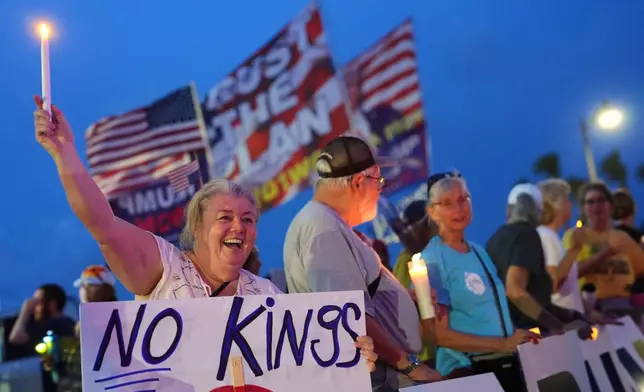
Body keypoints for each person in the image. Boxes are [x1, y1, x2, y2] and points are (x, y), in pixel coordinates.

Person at [32, 96, 378, 371]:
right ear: (196, 226)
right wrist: (65, 155)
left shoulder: (266, 294)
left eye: (248, 219)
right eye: (225, 217)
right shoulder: (164, 269)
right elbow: (103, 224)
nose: (239, 227)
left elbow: (307, 365)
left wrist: (348, 352)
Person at [284, 135, 442, 391]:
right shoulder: (324, 230)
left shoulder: (327, 223)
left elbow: (354, 300)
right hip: (378, 380)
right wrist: (412, 366)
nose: (380, 189)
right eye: (378, 180)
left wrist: (404, 302)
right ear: (358, 182)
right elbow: (351, 318)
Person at [422, 173, 538, 391]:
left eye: (463, 199)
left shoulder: (478, 251)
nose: (459, 208)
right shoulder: (433, 260)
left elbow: (490, 311)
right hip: (468, 373)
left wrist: (516, 335)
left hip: (503, 364)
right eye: (447, 203)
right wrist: (501, 344)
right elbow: (439, 334)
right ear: (432, 212)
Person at [486, 183, 591, 336]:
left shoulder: (495, 238)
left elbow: (534, 297)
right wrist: (557, 326)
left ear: (509, 209)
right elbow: (515, 291)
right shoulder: (527, 235)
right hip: (529, 338)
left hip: (504, 334)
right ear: (537, 211)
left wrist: (571, 315)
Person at [563, 183, 644, 315]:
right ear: (583, 208)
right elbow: (569, 275)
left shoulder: (622, 237)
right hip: (592, 309)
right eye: (590, 202)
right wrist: (605, 253)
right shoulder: (575, 236)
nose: (596, 206)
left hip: (627, 307)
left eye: (601, 200)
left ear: (610, 206)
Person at [9, 283, 76, 392]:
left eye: (38, 301)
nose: (35, 307)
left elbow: (16, 337)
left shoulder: (53, 325)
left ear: (52, 304)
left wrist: (25, 310)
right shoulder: (69, 323)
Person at [537, 179, 583, 312]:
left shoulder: (551, 236)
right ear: (557, 205)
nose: (571, 204)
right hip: (563, 326)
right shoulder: (546, 236)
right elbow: (552, 282)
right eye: (567, 200)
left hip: (568, 323)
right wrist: (575, 249)